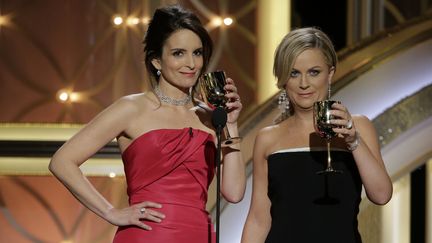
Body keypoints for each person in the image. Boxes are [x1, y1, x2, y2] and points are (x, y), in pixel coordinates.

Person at [49, 4, 245, 243]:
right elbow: (62, 161)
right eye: (178, 53)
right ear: (156, 62)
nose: (192, 64)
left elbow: (234, 194)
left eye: (197, 53)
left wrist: (231, 124)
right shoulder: (131, 108)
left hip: (199, 234)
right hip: (148, 235)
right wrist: (110, 212)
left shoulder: (210, 116)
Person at [241, 27, 392, 243]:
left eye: (314, 72)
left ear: (329, 74)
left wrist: (354, 142)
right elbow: (258, 218)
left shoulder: (358, 126)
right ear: (283, 78)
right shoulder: (268, 138)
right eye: (294, 73)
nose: (304, 83)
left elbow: (381, 195)